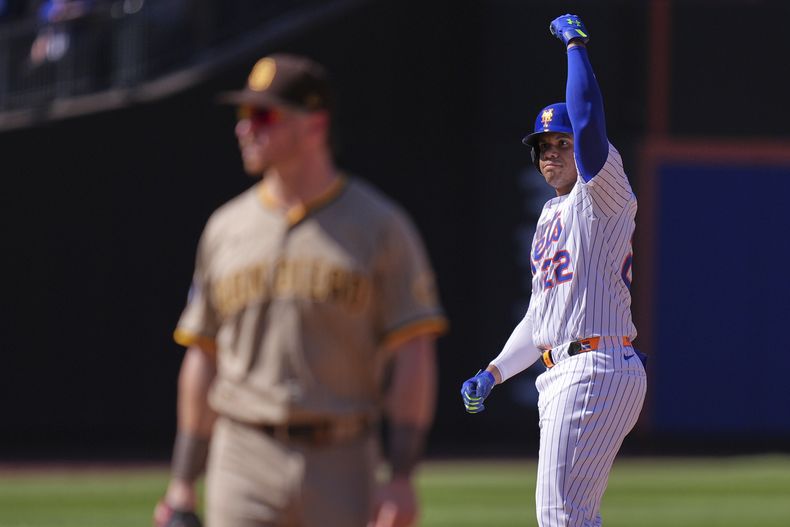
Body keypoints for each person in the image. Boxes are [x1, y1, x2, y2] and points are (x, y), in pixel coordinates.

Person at [154, 53, 448, 527]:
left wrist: (401, 475)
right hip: (242, 454)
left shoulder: (380, 226)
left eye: (263, 115)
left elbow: (414, 353)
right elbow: (203, 354)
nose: (245, 128)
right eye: (243, 114)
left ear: (314, 125)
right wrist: (183, 480)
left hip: (343, 457)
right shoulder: (225, 227)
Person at [460, 14, 647, 527]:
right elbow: (541, 317)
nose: (551, 153)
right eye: (544, 146)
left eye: (561, 143)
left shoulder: (600, 192)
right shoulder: (550, 215)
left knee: (561, 516)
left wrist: (575, 46)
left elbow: (587, 121)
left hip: (593, 365)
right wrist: (494, 372)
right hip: (572, 366)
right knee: (570, 516)